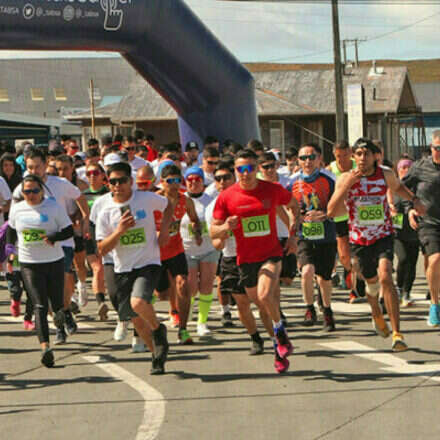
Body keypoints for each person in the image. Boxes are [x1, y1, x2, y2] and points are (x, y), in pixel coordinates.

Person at [328, 138, 426, 351]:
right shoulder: (346, 178)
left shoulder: (385, 174)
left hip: (383, 234)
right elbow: (331, 211)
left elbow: (399, 188)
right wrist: (345, 186)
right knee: (371, 284)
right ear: (354, 157)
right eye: (359, 154)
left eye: (366, 154)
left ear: (375, 156)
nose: (362, 158)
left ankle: (397, 334)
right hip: (359, 239)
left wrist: (415, 201)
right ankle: (375, 312)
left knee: (385, 277)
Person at [211, 149, 300, 373]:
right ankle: (277, 347)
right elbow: (213, 231)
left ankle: (280, 333)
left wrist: (293, 235)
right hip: (245, 259)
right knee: (261, 305)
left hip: (271, 254)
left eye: (250, 168)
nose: (245, 173)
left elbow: (294, 206)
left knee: (265, 295)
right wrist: (225, 227)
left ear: (257, 169)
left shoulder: (272, 189)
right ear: (235, 171)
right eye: (241, 169)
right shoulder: (226, 197)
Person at [96, 162, 174, 374]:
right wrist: (120, 231)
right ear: (108, 184)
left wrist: (165, 230)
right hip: (123, 268)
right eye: (113, 181)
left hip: (148, 263)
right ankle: (156, 354)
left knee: (138, 301)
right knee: (138, 322)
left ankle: (158, 329)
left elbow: (168, 206)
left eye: (122, 180)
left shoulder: (145, 198)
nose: (117, 185)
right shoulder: (106, 212)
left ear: (131, 182)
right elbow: (102, 248)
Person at [12, 148, 90, 345]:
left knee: (64, 285)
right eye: (30, 167)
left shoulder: (60, 184)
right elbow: (13, 221)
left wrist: (84, 218)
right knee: (44, 294)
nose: (34, 170)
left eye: (37, 166)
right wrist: (12, 250)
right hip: (34, 250)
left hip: (62, 243)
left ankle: (63, 311)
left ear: (45, 164)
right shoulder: (22, 189)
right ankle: (61, 323)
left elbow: (80, 197)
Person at [7, 174, 74, 367]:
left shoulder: (53, 207)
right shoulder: (18, 209)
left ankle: (61, 317)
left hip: (53, 261)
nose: (30, 195)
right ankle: (45, 347)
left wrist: (54, 236)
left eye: (34, 191)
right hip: (29, 263)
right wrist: (11, 252)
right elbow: (11, 230)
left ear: (42, 190)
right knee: (39, 305)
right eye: (26, 191)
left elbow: (68, 230)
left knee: (56, 304)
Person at [207, 162, 266, 353]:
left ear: (234, 178)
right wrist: (224, 231)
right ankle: (255, 337)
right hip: (231, 258)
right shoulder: (213, 208)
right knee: (242, 302)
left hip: (256, 255)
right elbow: (215, 242)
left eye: (226, 178)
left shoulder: (250, 198)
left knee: (262, 300)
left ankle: (276, 334)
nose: (222, 182)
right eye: (218, 179)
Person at [291, 143, 337, 331]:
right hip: (305, 235)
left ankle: (327, 310)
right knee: (307, 271)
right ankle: (309, 308)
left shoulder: (329, 179)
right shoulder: (292, 181)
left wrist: (325, 214)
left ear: (319, 159)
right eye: (303, 158)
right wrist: (297, 219)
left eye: (311, 157)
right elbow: (287, 208)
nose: (307, 161)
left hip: (326, 235)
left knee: (324, 278)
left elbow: (341, 205)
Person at [154, 164, 201, 344]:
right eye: (170, 181)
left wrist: (197, 233)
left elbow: (195, 220)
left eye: (177, 181)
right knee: (163, 295)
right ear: (162, 183)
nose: (174, 185)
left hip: (176, 250)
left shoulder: (185, 201)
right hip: (155, 253)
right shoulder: (154, 200)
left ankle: (183, 329)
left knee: (183, 285)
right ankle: (167, 313)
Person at [403, 130, 440, 326]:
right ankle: (435, 305)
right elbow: (403, 188)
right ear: (431, 148)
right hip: (428, 222)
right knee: (435, 258)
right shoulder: (419, 167)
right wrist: (410, 208)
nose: (439, 152)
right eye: (437, 148)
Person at [180, 167, 219, 339]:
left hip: (208, 248)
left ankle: (202, 322)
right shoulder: (181, 200)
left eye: (197, 179)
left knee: (206, 285)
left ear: (203, 181)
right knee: (191, 288)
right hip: (186, 249)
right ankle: (187, 315)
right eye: (190, 179)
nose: (193, 182)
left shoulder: (211, 200)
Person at [326, 140, 365, 303]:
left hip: (359, 216)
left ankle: (357, 285)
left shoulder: (359, 166)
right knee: (344, 256)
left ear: (350, 153)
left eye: (344, 155)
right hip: (340, 217)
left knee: (360, 254)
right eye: (338, 156)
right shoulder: (330, 170)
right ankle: (351, 272)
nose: (341, 159)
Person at [389, 158, 419, 307]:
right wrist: (390, 208)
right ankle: (399, 287)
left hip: (414, 230)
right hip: (397, 231)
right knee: (402, 258)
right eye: (403, 167)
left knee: (412, 263)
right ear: (397, 169)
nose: (406, 169)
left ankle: (407, 291)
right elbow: (386, 201)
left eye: (409, 167)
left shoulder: (416, 188)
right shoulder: (394, 187)